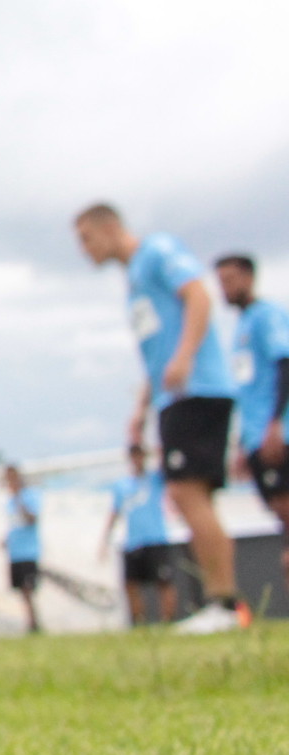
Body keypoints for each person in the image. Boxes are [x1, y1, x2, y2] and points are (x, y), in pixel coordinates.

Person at [75, 206, 245, 633]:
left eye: (87, 237)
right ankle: (220, 601)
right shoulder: (134, 282)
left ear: (110, 228)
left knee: (189, 492)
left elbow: (198, 294)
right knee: (190, 496)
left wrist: (185, 357)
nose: (84, 249)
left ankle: (225, 604)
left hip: (197, 388)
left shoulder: (158, 252)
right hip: (172, 397)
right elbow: (155, 352)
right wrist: (141, 408)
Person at [217, 253, 289, 602]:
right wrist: (243, 443)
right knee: (279, 513)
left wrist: (276, 424)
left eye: (229, 279)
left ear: (248, 278)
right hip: (256, 437)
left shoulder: (268, 317)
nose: (224, 288)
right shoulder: (240, 329)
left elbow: (285, 364)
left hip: (277, 435)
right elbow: (248, 391)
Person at [102, 444, 176, 626]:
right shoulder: (121, 486)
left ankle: (168, 622)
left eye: (141, 455)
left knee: (164, 582)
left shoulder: (155, 479)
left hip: (156, 539)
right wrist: (104, 540)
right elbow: (115, 513)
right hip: (132, 542)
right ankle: (139, 623)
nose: (138, 459)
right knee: (130, 585)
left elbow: (167, 464)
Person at [2, 467, 42, 634]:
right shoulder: (9, 502)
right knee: (22, 591)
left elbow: (32, 519)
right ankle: (30, 623)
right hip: (14, 553)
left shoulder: (29, 496)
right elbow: (14, 525)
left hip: (29, 552)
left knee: (28, 589)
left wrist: (19, 499)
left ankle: (34, 623)